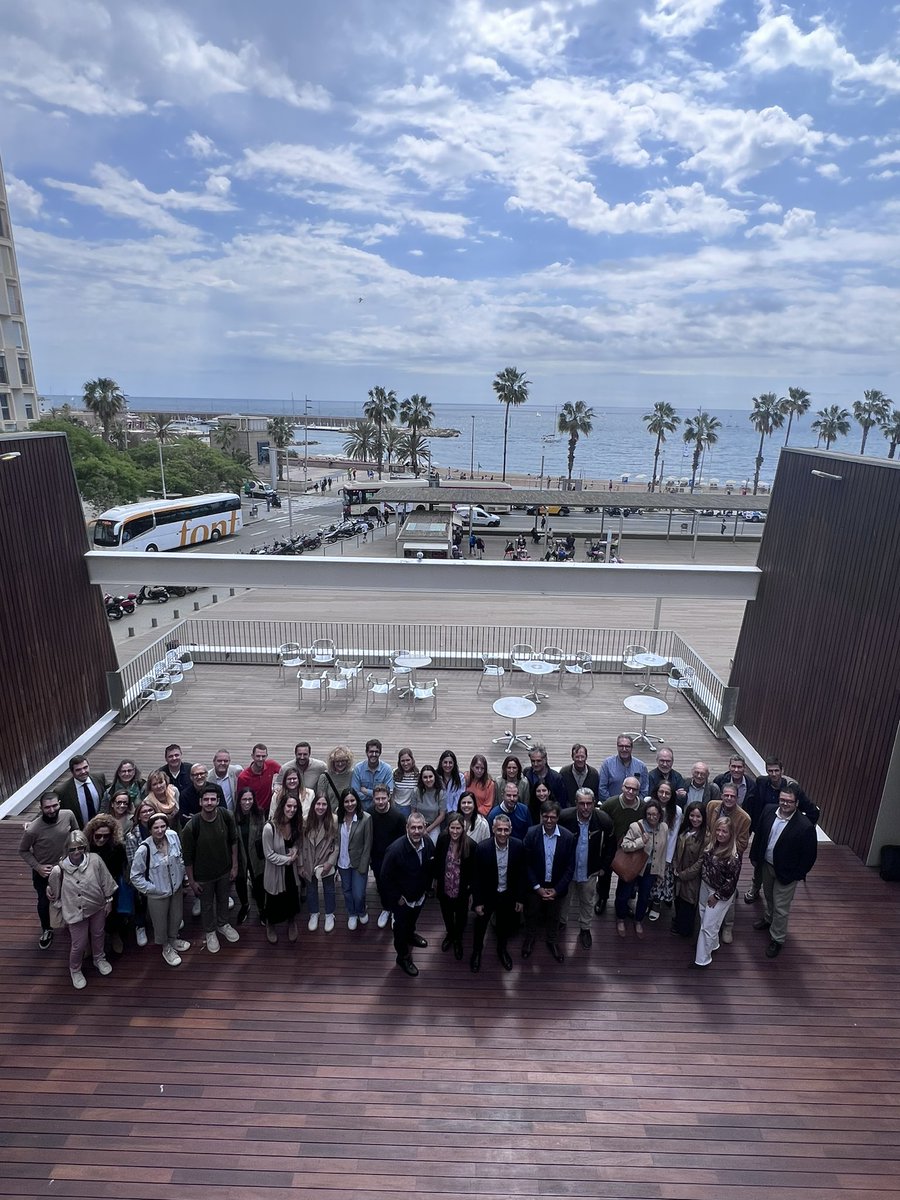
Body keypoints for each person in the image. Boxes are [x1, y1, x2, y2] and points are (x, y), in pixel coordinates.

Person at [749, 784, 817, 958]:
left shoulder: (805, 826)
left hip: (787, 873)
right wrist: (755, 856)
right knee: (769, 896)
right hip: (767, 865)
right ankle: (769, 919)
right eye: (782, 799)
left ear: (797, 803)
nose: (785, 804)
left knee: (781, 907)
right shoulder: (769, 810)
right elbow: (760, 836)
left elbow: (809, 856)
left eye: (789, 801)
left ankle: (777, 938)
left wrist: (797, 874)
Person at [47, 830, 117, 989]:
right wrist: (52, 895)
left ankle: (99, 958)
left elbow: (106, 881)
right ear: (67, 850)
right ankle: (75, 969)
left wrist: (109, 900)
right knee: (79, 943)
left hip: (97, 907)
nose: (77, 852)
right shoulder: (59, 870)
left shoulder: (95, 860)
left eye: (80, 847)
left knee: (99, 934)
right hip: (74, 913)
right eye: (72, 849)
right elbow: (53, 893)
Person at [744, 759, 819, 902]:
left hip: (784, 834)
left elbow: (813, 812)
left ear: (782, 771)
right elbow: (751, 801)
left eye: (776, 770)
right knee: (760, 863)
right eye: (770, 770)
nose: (773, 774)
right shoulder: (761, 782)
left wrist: (799, 828)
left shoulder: (792, 789)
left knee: (776, 864)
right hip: (765, 830)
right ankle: (755, 887)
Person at [181, 783, 240, 954]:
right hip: (203, 875)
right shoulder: (192, 826)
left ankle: (223, 924)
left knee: (223, 899)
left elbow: (233, 841)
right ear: (200, 802)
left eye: (212, 799)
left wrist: (235, 865)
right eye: (205, 799)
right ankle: (210, 931)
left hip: (224, 870)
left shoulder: (226, 816)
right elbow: (187, 856)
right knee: (206, 905)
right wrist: (191, 880)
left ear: (218, 801)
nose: (209, 802)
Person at [129, 813, 192, 967]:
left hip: (175, 888)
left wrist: (183, 878)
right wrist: (151, 889)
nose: (160, 830)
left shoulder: (173, 836)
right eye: (156, 827)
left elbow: (181, 858)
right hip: (157, 894)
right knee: (160, 923)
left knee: (176, 917)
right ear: (150, 829)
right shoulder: (144, 849)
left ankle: (173, 939)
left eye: (163, 826)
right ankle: (166, 947)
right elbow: (135, 876)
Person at [19, 792, 79, 949]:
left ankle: (71, 924)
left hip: (68, 867)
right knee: (44, 902)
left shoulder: (69, 815)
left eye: (55, 806)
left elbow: (76, 833)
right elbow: (23, 850)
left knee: (71, 896)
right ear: (41, 808)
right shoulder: (32, 829)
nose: (52, 810)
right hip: (44, 871)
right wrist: (38, 867)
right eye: (47, 807)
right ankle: (47, 929)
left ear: (59, 803)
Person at [469, 813, 527, 973]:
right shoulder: (482, 848)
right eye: (499, 829)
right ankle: (477, 952)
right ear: (493, 829)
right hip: (487, 896)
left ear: (511, 830)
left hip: (507, 895)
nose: (502, 833)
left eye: (506, 830)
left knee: (503, 926)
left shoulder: (518, 846)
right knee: (480, 927)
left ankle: (502, 950)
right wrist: (478, 902)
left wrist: (520, 899)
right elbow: (476, 878)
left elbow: (522, 875)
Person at [380, 812, 435, 976]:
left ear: (425, 827)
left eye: (420, 827)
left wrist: (427, 887)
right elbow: (385, 877)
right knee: (400, 929)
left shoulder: (428, 843)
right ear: (407, 828)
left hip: (419, 895)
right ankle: (402, 957)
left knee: (412, 921)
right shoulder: (395, 850)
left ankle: (411, 935)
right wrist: (397, 897)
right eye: (413, 827)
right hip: (402, 900)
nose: (417, 831)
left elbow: (431, 865)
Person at [559, 787, 615, 949]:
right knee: (564, 899)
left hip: (590, 870)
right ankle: (561, 922)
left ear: (594, 804)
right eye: (582, 803)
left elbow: (611, 847)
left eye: (589, 804)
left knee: (587, 901)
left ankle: (585, 928)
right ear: (576, 803)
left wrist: (604, 867)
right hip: (567, 870)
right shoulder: (564, 818)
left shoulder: (604, 821)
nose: (585, 808)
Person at [683, 818, 742, 968]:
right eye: (718, 830)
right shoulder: (712, 845)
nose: (720, 834)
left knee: (708, 926)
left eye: (724, 831)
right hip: (705, 886)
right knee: (704, 917)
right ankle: (712, 945)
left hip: (719, 893)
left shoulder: (733, 857)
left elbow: (731, 883)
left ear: (731, 834)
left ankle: (702, 960)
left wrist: (716, 896)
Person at [522, 801, 575, 963]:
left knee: (554, 916)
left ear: (558, 818)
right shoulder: (531, 834)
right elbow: (526, 864)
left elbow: (570, 867)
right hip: (535, 885)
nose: (549, 820)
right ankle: (529, 939)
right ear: (541, 816)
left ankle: (552, 942)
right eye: (546, 817)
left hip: (556, 886)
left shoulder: (568, 837)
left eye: (553, 817)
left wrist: (557, 890)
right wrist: (537, 888)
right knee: (531, 914)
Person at [704, 784, 751, 943]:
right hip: (711, 853)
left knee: (728, 890)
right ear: (722, 795)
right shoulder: (712, 806)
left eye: (732, 796)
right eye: (726, 795)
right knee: (708, 886)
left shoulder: (744, 818)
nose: (729, 798)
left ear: (737, 798)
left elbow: (743, 843)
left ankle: (728, 926)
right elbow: (708, 828)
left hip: (729, 858)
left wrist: (725, 847)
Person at [616, 799, 668, 939]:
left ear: (659, 815)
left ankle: (638, 920)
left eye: (655, 814)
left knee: (644, 897)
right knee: (625, 894)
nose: (652, 817)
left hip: (650, 870)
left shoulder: (664, 827)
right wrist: (640, 842)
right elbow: (625, 846)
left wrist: (660, 873)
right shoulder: (635, 826)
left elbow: (663, 852)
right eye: (649, 814)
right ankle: (620, 918)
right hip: (633, 867)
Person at [596, 776, 644, 915]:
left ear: (638, 791)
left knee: (627, 875)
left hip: (632, 847)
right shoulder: (610, 803)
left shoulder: (642, 807)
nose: (630, 791)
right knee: (605, 874)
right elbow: (600, 820)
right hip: (610, 845)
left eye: (634, 789)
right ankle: (603, 898)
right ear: (622, 787)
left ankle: (624, 901)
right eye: (627, 788)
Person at [84, 814, 130, 955]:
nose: (102, 839)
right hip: (89, 885)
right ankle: (87, 941)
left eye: (106, 836)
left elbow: (122, 867)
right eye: (98, 836)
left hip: (111, 884)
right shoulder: (85, 847)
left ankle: (114, 934)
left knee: (112, 914)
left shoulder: (117, 847)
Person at [262, 792, 303, 944]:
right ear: (282, 806)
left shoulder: (295, 824)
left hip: (290, 871)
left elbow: (297, 843)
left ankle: (291, 921)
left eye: (295, 807)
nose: (292, 810)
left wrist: (295, 850)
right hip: (275, 871)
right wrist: (288, 859)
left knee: (291, 896)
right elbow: (269, 854)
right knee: (274, 900)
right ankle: (270, 924)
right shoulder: (269, 827)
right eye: (289, 806)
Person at [433, 811, 475, 960]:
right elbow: (438, 860)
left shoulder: (470, 845)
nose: (455, 832)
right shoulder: (443, 839)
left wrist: (470, 892)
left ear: (463, 829)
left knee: (462, 916)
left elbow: (473, 872)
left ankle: (458, 939)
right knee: (446, 913)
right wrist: (436, 880)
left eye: (458, 828)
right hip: (445, 885)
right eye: (452, 828)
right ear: (448, 828)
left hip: (461, 889)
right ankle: (450, 934)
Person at [370, 783, 407, 929]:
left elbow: (403, 840)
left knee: (396, 885)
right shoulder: (369, 814)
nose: (380, 802)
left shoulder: (398, 817)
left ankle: (395, 911)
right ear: (373, 799)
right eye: (377, 799)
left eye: (383, 798)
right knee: (381, 884)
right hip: (377, 858)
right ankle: (386, 908)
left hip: (394, 859)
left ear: (389, 798)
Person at [336, 788, 373, 929]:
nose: (350, 804)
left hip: (359, 863)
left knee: (358, 893)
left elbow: (368, 844)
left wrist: (364, 867)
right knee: (347, 891)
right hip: (343, 862)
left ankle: (361, 910)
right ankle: (352, 913)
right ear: (342, 803)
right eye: (346, 801)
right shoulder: (338, 817)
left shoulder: (366, 818)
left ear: (357, 801)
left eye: (352, 800)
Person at [300, 796, 339, 932]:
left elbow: (337, 844)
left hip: (325, 860)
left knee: (329, 889)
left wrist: (330, 862)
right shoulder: (305, 821)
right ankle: (314, 913)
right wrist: (301, 865)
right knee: (311, 890)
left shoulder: (333, 820)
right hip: (308, 860)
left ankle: (329, 914)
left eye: (324, 804)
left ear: (328, 806)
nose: (321, 807)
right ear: (313, 805)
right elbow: (300, 844)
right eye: (318, 804)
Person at [648, 780, 682, 922]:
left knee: (659, 880)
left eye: (667, 793)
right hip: (648, 848)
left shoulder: (677, 811)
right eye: (661, 792)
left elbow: (673, 836)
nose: (663, 795)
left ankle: (656, 904)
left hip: (664, 851)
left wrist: (667, 859)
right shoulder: (648, 803)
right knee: (646, 878)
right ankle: (644, 901)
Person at [125, 799, 158, 947]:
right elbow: (133, 862)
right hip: (143, 874)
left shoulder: (161, 828)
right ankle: (140, 926)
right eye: (144, 812)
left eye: (150, 810)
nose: (148, 814)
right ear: (138, 816)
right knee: (141, 903)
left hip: (160, 872)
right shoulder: (132, 836)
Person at [233, 786, 266, 926]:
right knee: (240, 883)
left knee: (259, 884)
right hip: (239, 857)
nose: (247, 802)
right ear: (239, 801)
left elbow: (264, 835)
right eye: (244, 799)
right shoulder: (232, 816)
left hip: (256, 856)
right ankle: (245, 905)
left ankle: (261, 909)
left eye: (250, 799)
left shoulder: (259, 814)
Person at [672, 802, 706, 937]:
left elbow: (701, 861)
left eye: (698, 816)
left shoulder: (706, 836)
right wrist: (675, 867)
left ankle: (685, 930)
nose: (695, 819)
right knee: (678, 900)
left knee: (688, 903)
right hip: (678, 873)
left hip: (691, 878)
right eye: (692, 815)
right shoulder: (683, 829)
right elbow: (675, 849)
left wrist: (684, 874)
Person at [56, 755, 108, 829]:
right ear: (72, 771)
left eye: (85, 767)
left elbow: (111, 792)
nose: (83, 772)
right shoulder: (62, 791)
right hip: (80, 831)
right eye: (78, 770)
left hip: (102, 829)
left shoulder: (99, 778)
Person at [598, 736, 649, 801]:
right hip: (612, 807)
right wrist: (611, 804)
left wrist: (636, 804)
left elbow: (644, 790)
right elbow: (602, 788)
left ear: (632, 748)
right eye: (621, 746)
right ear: (617, 747)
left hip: (635, 808)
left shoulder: (641, 766)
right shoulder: (607, 764)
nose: (624, 749)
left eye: (627, 746)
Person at [237, 743, 282, 815]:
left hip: (269, 809)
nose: (261, 759)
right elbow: (240, 798)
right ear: (252, 756)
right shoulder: (243, 777)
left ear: (266, 756)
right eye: (258, 756)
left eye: (263, 756)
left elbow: (285, 773)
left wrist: (278, 785)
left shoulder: (271, 765)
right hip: (253, 812)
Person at [350, 738, 393, 812]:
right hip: (363, 810)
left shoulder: (387, 769)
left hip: (381, 810)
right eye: (371, 752)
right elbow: (355, 793)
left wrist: (366, 791)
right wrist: (378, 796)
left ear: (380, 753)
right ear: (366, 752)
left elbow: (389, 792)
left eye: (376, 752)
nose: (374, 754)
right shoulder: (358, 769)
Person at [524, 744, 567, 816]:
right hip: (532, 814)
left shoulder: (556, 778)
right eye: (533, 761)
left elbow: (562, 801)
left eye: (538, 761)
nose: (535, 764)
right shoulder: (527, 774)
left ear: (545, 760)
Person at [412, 765, 445, 844]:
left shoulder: (440, 793)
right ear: (422, 779)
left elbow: (442, 815)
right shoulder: (416, 791)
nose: (428, 779)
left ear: (434, 777)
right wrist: (420, 827)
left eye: (430, 776)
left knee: (433, 844)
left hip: (434, 825)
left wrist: (428, 829)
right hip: (418, 824)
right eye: (425, 777)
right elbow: (413, 812)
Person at [315, 746, 355, 811]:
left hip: (348, 813)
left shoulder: (353, 774)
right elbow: (321, 798)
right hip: (330, 815)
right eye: (337, 761)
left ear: (347, 761)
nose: (340, 764)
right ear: (332, 762)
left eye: (343, 761)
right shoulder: (324, 777)